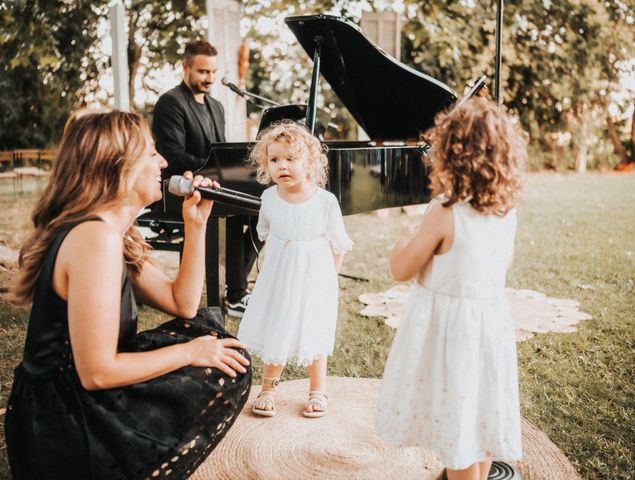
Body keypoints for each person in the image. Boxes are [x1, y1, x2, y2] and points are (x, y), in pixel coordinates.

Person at [5, 110, 252, 480]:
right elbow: (97, 372)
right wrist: (189, 352)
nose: (164, 163)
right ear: (118, 166)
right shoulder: (94, 239)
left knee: (207, 335)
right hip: (64, 417)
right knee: (209, 357)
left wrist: (195, 225)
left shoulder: (111, 233)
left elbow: (182, 304)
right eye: (151, 153)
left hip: (73, 392)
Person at [375, 98, 527, 480]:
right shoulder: (506, 210)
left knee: (457, 424)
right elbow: (502, 264)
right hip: (488, 327)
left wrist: (404, 237)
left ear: (450, 154)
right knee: (479, 417)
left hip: (450, 335)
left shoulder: (444, 212)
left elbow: (401, 269)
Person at [237, 121, 352, 418]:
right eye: (274, 160)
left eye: (291, 158)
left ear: (310, 162)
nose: (282, 166)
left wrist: (328, 280)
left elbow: (338, 245)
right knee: (278, 325)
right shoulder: (269, 199)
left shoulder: (325, 202)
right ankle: (269, 388)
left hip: (315, 280)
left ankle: (317, 391)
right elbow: (267, 234)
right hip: (278, 280)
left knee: (313, 330)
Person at [152, 39, 261, 317]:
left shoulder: (217, 106)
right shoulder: (170, 102)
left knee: (262, 208)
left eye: (212, 72)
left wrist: (231, 171)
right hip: (181, 189)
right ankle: (235, 295)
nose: (209, 78)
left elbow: (220, 149)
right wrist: (215, 172)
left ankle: (236, 291)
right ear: (185, 67)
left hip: (213, 183)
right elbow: (173, 155)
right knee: (236, 208)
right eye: (202, 72)